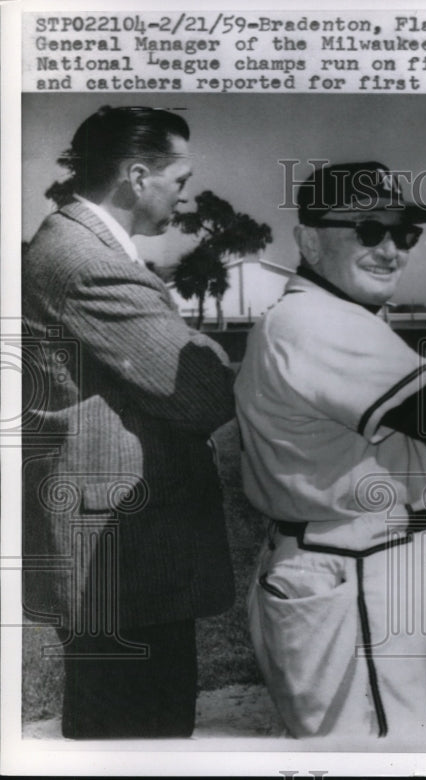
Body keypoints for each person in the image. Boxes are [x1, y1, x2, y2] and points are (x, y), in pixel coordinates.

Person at [236, 162, 426, 741]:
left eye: (404, 233)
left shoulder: (333, 315)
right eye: (369, 230)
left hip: (351, 555)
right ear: (309, 241)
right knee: (378, 746)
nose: (391, 249)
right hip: (351, 564)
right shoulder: (313, 319)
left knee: (373, 739)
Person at [21, 106, 236, 738]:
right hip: (126, 557)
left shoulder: (76, 245)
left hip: (123, 547)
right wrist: (208, 351)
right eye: (180, 179)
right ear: (137, 177)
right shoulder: (88, 261)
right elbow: (202, 392)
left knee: (124, 729)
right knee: (138, 733)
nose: (185, 194)